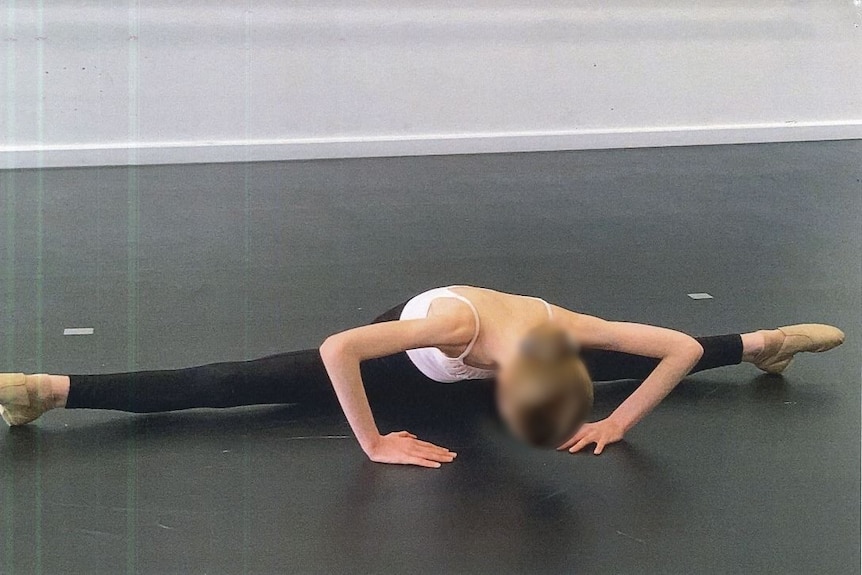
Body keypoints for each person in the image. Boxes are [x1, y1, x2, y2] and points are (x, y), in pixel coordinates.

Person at [0, 285, 845, 468]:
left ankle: (768, 339)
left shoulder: (565, 334)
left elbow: (678, 350)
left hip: (472, 370)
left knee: (633, 358)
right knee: (236, 379)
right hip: (405, 356)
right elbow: (339, 351)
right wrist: (372, 442)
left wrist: (620, 424)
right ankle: (49, 388)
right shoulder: (455, 328)